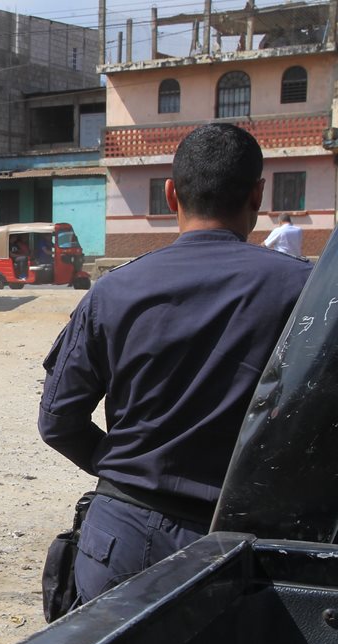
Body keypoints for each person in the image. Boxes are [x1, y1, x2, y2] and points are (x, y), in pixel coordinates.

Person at [38, 123, 310, 605]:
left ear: (170, 194)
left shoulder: (113, 291)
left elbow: (59, 422)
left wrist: (128, 470)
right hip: (240, 544)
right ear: (257, 195)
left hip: (119, 539)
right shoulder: (305, 294)